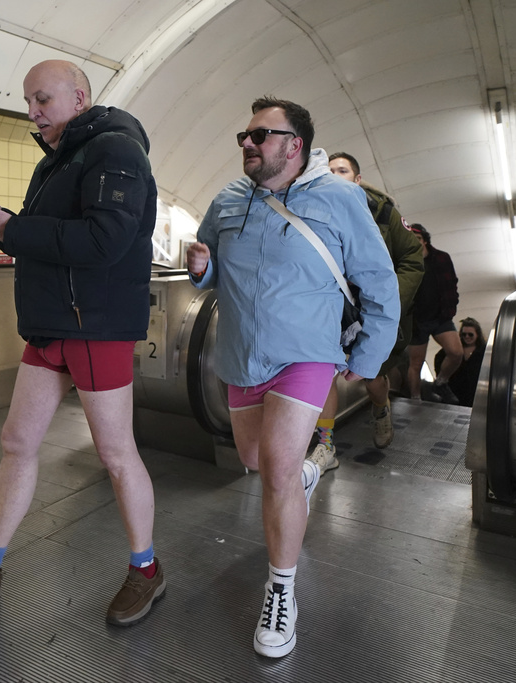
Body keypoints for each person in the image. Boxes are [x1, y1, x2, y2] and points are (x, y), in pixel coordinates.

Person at [0, 60, 165, 627]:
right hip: (52, 322)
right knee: (17, 441)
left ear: (79, 98)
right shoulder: (63, 157)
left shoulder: (117, 150)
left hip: (95, 325)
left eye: (42, 100)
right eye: (28, 101)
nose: (32, 112)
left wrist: (14, 230)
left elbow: (104, 239)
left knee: (116, 454)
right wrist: (6, 224)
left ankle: (146, 570)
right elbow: (58, 234)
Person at [186, 97, 399, 657]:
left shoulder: (340, 198)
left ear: (294, 145)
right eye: (244, 135)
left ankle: (281, 592)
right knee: (256, 461)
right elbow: (209, 272)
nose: (247, 144)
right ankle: (306, 472)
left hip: (306, 352)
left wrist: (371, 356)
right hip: (241, 354)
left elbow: (379, 279)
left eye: (260, 134)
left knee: (276, 468)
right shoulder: (228, 199)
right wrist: (202, 269)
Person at [306, 152, 423, 469]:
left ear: (357, 179)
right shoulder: (311, 210)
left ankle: (380, 405)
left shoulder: (383, 213)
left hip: (370, 310)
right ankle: (325, 444)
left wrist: (387, 299)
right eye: (329, 170)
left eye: (342, 170)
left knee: (371, 377)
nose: (334, 175)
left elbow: (412, 258)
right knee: (324, 373)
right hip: (330, 309)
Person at [405, 224, 462, 403]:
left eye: (418, 239)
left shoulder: (441, 258)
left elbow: (452, 283)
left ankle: (441, 381)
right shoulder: (404, 261)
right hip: (417, 320)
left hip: (440, 316)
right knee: (416, 363)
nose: (415, 243)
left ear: (425, 240)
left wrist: (451, 305)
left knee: (456, 352)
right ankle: (415, 398)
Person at [435, 317, 486, 407]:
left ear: (477, 334)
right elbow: (438, 358)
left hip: (475, 395)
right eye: (464, 334)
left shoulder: (484, 351)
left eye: (470, 335)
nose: (467, 337)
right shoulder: (455, 350)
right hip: (454, 393)